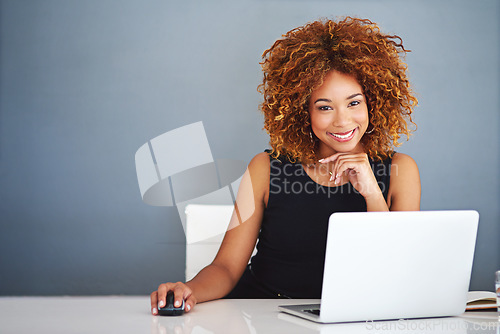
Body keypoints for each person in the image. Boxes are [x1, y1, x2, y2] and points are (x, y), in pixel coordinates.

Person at [150, 16, 421, 315]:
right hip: (262, 313)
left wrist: (371, 193)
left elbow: (394, 274)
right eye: (325, 107)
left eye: (354, 103)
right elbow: (226, 268)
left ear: (373, 102)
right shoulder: (266, 168)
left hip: (351, 317)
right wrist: (188, 290)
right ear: (302, 112)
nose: (342, 120)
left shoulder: (401, 170)